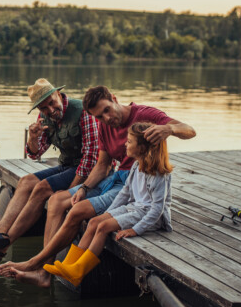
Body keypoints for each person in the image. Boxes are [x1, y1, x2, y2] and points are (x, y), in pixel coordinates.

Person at [0, 85, 195, 286]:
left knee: (77, 211)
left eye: (107, 110)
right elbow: (102, 165)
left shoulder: (144, 115)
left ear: (114, 98)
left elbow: (190, 131)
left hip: (131, 182)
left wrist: (169, 128)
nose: (106, 119)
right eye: (99, 117)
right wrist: (83, 188)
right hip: (114, 177)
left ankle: (36, 264)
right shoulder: (104, 125)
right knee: (57, 199)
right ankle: (45, 273)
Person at [0, 78, 99, 262]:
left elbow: (91, 160)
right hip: (66, 165)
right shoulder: (44, 117)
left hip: (87, 170)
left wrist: (71, 191)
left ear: (58, 94)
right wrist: (33, 138)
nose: (50, 110)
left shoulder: (83, 111)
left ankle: (5, 243)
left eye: (51, 103)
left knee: (42, 188)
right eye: (44, 108)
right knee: (26, 181)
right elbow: (35, 153)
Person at [42, 121, 173, 286]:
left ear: (142, 148)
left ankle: (78, 271)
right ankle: (69, 265)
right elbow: (125, 193)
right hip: (135, 208)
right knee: (95, 222)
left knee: (103, 227)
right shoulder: (136, 167)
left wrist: (135, 230)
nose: (125, 144)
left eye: (130, 141)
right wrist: (108, 213)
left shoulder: (158, 174)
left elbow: (157, 210)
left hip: (151, 217)